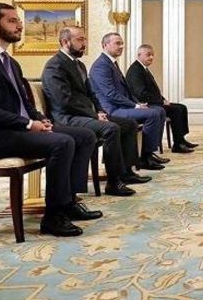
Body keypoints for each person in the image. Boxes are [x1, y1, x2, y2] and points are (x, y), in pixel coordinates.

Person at [0, 3, 101, 237]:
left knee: (84, 136)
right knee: (62, 142)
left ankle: (69, 200)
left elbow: (24, 103)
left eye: (19, 21)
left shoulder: (11, 62)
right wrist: (29, 124)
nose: (20, 25)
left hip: (18, 129)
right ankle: (53, 217)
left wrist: (40, 118)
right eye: (12, 21)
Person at [42, 26, 149, 197]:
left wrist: (100, 110)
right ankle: (113, 182)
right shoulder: (55, 66)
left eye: (84, 39)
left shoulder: (79, 65)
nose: (84, 43)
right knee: (111, 128)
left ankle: (126, 172)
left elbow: (92, 93)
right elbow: (64, 101)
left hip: (85, 114)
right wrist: (94, 115)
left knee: (129, 124)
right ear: (65, 42)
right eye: (80, 40)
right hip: (67, 118)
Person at [89, 33, 167, 171]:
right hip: (112, 110)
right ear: (105, 45)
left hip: (121, 106)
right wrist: (135, 106)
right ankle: (145, 157)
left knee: (159, 110)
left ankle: (149, 153)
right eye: (117, 43)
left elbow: (126, 91)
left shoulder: (112, 63)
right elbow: (111, 94)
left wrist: (138, 104)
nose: (121, 46)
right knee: (153, 114)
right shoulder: (101, 65)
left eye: (122, 43)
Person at [125, 44, 197, 154]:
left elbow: (153, 90)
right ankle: (177, 145)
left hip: (154, 101)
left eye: (152, 55)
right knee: (176, 110)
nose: (151, 57)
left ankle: (181, 139)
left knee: (182, 107)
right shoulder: (135, 70)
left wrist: (163, 99)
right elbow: (141, 94)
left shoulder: (143, 68)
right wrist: (160, 101)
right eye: (148, 55)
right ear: (139, 55)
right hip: (146, 104)